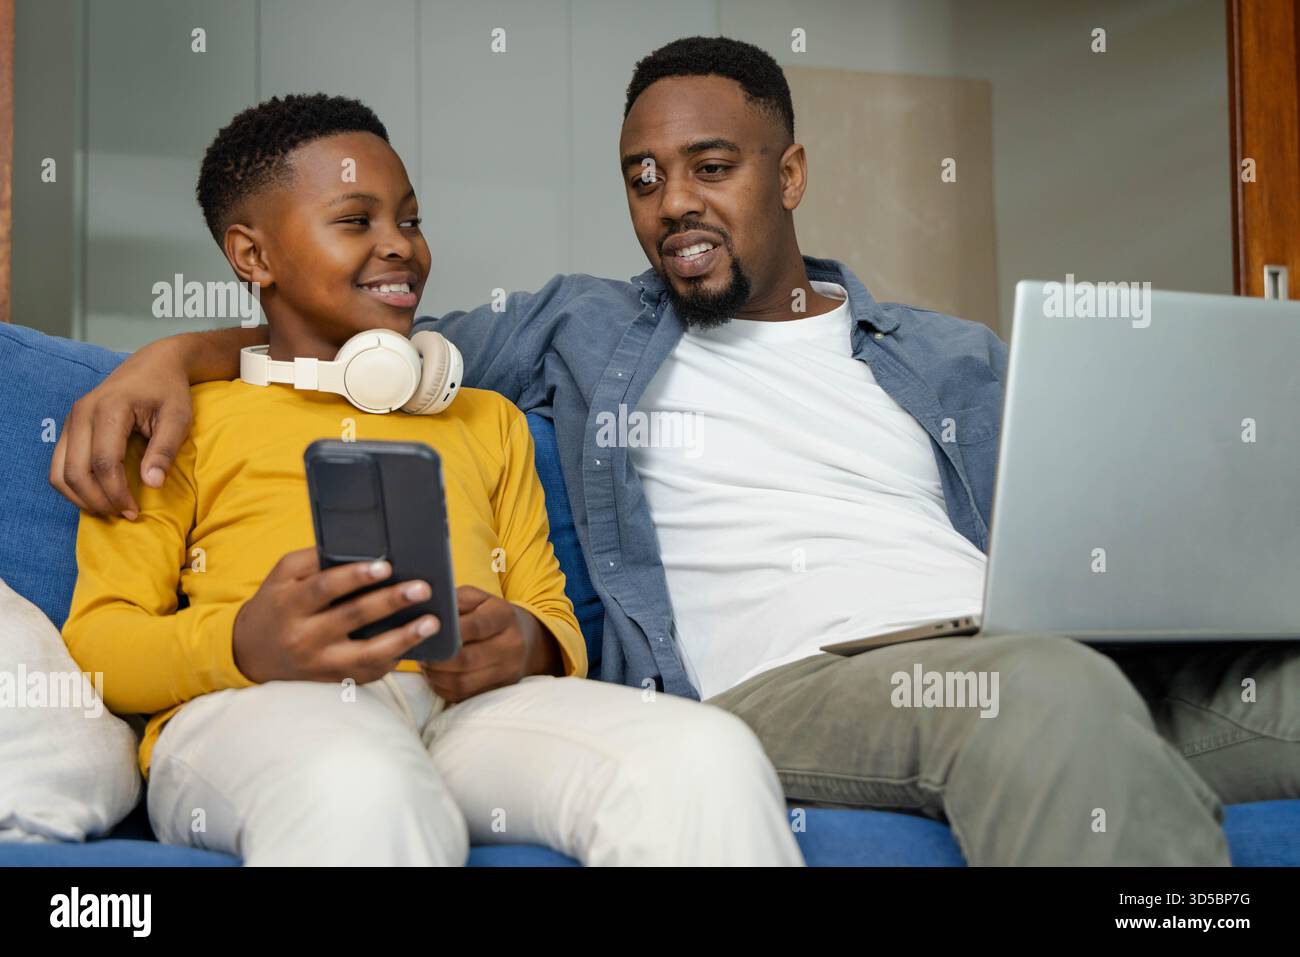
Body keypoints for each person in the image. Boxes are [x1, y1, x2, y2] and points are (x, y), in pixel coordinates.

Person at [55, 39, 1300, 866]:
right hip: (839, 679)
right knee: (1035, 694)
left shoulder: (953, 353)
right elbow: (349, 339)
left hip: (1041, 645)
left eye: (710, 168)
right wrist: (167, 357)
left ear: (790, 171)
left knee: (1096, 679)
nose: (672, 205)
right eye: (644, 178)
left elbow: (539, 605)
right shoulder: (578, 333)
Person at [58, 92, 803, 867]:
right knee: (360, 783)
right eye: (357, 221)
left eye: (409, 221)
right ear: (254, 257)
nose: (401, 248)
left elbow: (551, 613)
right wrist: (246, 642)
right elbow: (102, 643)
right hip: (253, 712)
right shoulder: (176, 419)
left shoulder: (485, 419)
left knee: (702, 756)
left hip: (469, 714)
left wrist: (521, 644)